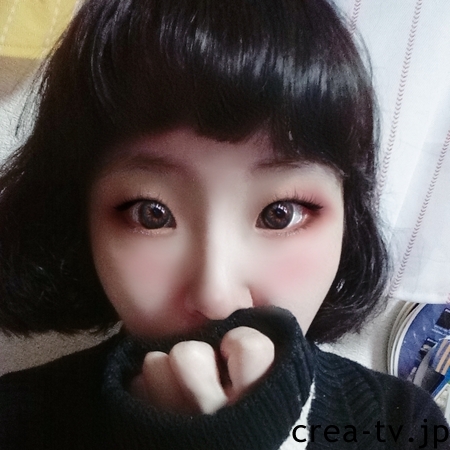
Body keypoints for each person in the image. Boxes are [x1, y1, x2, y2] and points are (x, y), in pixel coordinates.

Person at [0, 0, 448, 448]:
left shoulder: (405, 426)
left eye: (280, 214)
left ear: (349, 219)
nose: (217, 300)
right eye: (151, 214)